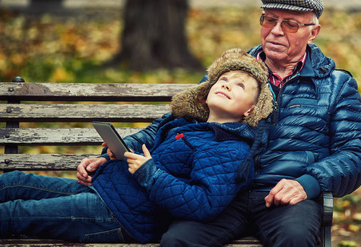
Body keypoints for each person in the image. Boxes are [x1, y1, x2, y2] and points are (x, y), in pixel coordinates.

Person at [154, 0, 361, 246]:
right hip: (222, 193)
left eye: (290, 24)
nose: (276, 31)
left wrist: (308, 183)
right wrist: (114, 152)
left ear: (313, 32)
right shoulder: (233, 73)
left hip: (287, 199)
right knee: (177, 240)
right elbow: (176, 121)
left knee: (296, 239)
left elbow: (355, 151)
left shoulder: (336, 85)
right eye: (269, 20)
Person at [0, 49, 274, 243]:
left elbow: (203, 204)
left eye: (239, 85)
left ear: (250, 110)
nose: (226, 85)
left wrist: (151, 174)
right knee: (13, 182)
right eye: (222, 80)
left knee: (17, 214)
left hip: (124, 217)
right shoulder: (186, 123)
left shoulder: (230, 148)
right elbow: (143, 142)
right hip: (107, 191)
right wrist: (106, 158)